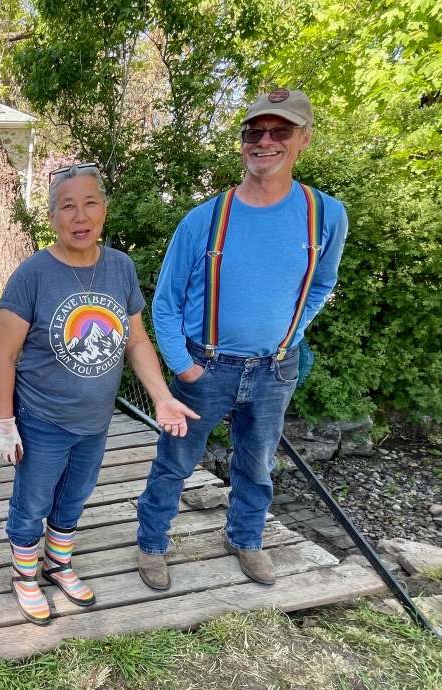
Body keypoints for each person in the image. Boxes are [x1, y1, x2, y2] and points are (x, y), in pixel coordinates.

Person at [136, 89, 349, 590]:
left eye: (280, 131)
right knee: (175, 463)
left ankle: (247, 538)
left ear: (304, 139)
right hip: (205, 367)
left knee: (257, 463)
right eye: (255, 131)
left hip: (276, 369)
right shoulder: (204, 219)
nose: (265, 141)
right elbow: (164, 304)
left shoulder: (326, 215)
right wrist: (183, 367)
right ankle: (151, 543)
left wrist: (292, 333)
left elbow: (321, 284)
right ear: (242, 143)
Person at [0, 163, 197, 625]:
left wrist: (161, 396)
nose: (79, 216)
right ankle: (24, 575)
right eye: (67, 206)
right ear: (52, 217)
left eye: (90, 203)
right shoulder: (33, 275)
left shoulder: (120, 267)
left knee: (76, 496)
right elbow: (3, 358)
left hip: (96, 420)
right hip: (43, 418)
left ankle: (57, 563)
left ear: (103, 209)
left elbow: (136, 339)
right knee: (33, 499)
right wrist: (5, 424)